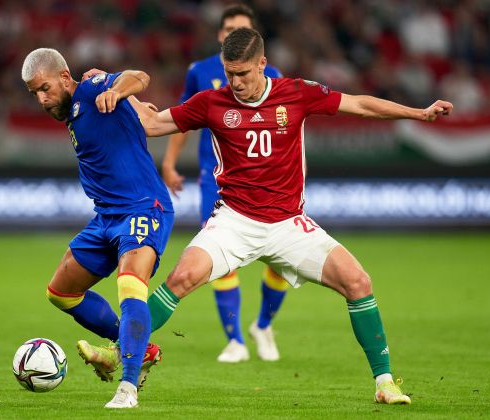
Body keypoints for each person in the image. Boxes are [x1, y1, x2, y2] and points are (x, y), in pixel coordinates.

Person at [134, 28, 453, 405]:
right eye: (229, 73)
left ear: (262, 65)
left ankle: (384, 383)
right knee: (181, 278)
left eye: (243, 73)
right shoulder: (211, 102)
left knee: (358, 282)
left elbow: (360, 105)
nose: (236, 83)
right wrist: (116, 90)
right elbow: (152, 125)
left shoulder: (296, 92)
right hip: (234, 221)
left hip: (289, 224)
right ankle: (119, 349)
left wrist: (418, 113)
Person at [21, 48, 174, 409]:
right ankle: (136, 346)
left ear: (64, 77)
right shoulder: (74, 111)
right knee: (61, 292)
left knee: (130, 286)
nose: (42, 99)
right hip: (105, 217)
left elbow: (139, 76)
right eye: (35, 94)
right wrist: (130, 104)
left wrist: (116, 91)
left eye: (45, 88)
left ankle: (128, 388)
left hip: (142, 208)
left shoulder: (92, 89)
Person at [162, 3, 288, 364]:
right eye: (230, 29)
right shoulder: (200, 72)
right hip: (215, 181)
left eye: (242, 29)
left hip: (266, 183)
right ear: (220, 35)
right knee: (221, 260)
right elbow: (182, 119)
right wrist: (169, 162)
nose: (234, 34)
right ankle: (235, 340)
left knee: (281, 261)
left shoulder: (274, 76)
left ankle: (263, 325)